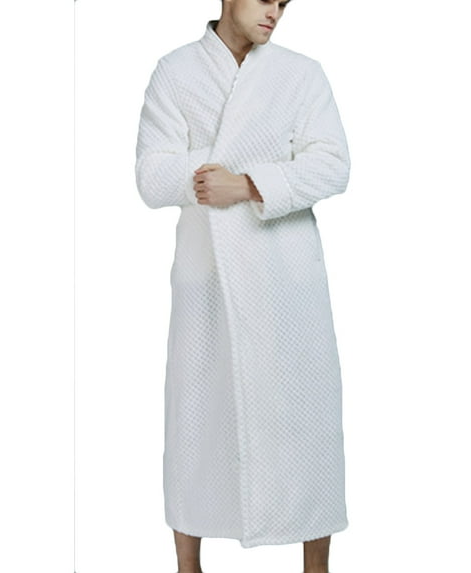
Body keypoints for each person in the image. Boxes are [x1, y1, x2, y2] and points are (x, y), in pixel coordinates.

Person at [134, 1, 351, 572]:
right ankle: (188, 567)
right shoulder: (175, 72)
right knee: (196, 416)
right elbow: (151, 177)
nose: (275, 12)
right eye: (265, 0)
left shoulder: (301, 74)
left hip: (287, 273)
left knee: (307, 418)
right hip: (207, 275)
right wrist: (246, 168)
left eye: (284, 4)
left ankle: (317, 567)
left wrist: (249, 183)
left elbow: (333, 165)